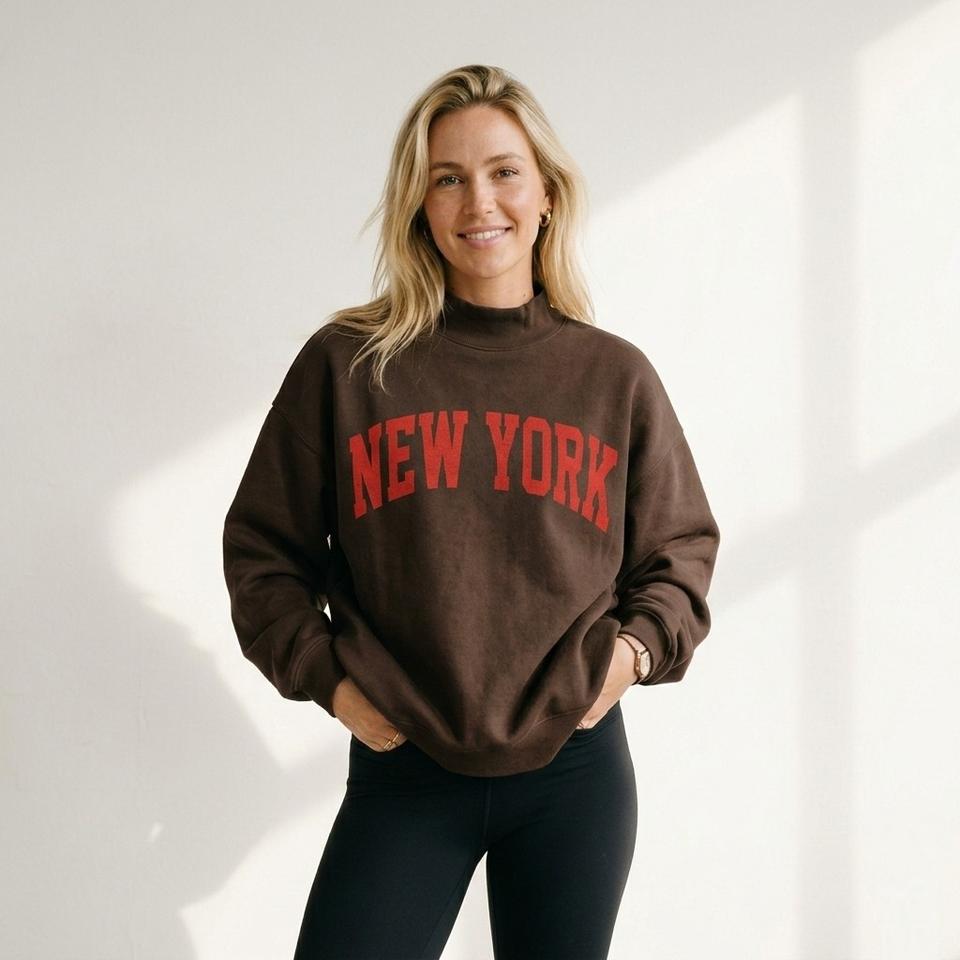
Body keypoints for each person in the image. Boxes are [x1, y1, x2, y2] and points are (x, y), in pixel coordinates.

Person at [222, 63, 720, 960]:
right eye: (447, 177)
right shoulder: (350, 366)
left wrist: (628, 659)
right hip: (406, 770)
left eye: (504, 171)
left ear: (546, 194)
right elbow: (263, 551)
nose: (478, 201)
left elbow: (680, 552)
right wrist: (331, 682)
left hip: (574, 777)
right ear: (419, 204)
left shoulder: (611, 377)